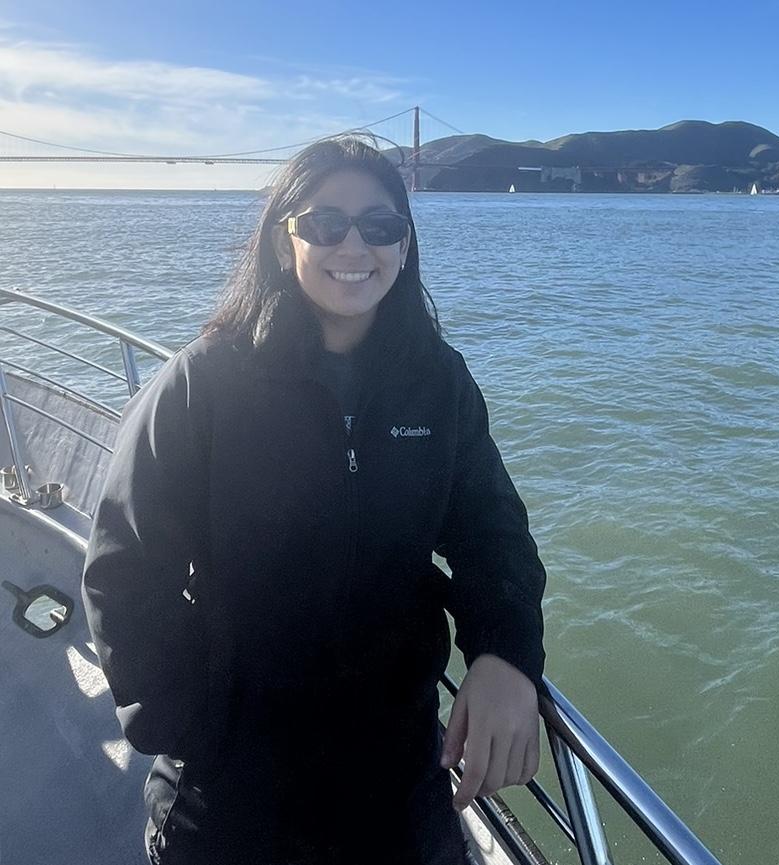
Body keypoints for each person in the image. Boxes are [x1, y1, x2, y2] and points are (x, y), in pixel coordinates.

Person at [82, 135, 547, 865]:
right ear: (283, 241)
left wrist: (506, 655)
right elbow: (124, 568)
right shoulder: (206, 382)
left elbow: (493, 535)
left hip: (397, 778)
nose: (353, 245)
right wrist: (191, 725)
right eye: (325, 223)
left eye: (380, 225)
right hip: (232, 788)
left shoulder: (437, 382)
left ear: (404, 245)